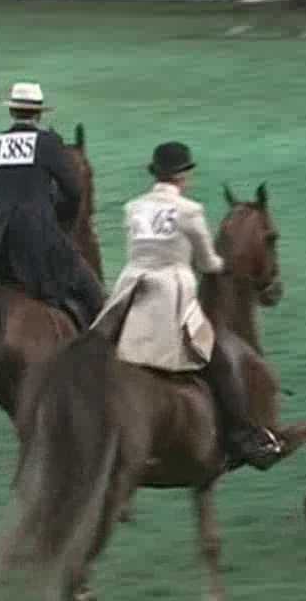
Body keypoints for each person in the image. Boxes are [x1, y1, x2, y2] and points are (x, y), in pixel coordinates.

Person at [90, 142, 282, 469]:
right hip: (170, 293)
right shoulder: (189, 211)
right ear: (183, 176)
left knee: (99, 344)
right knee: (218, 354)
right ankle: (241, 433)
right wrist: (222, 266)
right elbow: (207, 262)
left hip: (131, 288)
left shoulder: (133, 207)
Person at [0, 82, 104, 329]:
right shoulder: (48, 143)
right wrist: (59, 217)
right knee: (93, 292)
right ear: (38, 113)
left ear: (12, 111)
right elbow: (75, 190)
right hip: (39, 234)